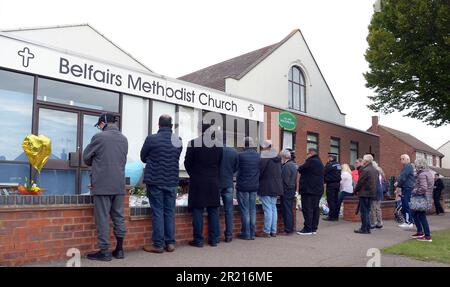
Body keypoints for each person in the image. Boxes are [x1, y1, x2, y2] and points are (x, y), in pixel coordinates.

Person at [83, 113, 128, 261]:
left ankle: (104, 252)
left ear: (103, 123)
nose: (99, 128)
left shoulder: (99, 137)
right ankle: (120, 250)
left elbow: (86, 158)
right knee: (119, 217)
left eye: (99, 125)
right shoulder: (124, 139)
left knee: (102, 218)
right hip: (119, 184)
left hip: (102, 184)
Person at [140, 115, 182, 253]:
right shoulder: (178, 140)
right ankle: (170, 243)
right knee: (170, 212)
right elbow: (176, 157)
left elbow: (143, 157)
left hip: (155, 180)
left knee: (158, 212)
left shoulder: (151, 139)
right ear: (171, 126)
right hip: (171, 181)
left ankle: (158, 245)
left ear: (159, 125)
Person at [184, 123, 223, 247]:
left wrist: (194, 174)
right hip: (213, 181)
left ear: (201, 130)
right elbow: (220, 164)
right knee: (213, 210)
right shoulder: (218, 145)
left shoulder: (193, 143)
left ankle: (198, 240)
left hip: (198, 181)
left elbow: (187, 163)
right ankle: (214, 239)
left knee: (198, 210)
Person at [236, 137, 260, 240]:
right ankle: (252, 233)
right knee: (252, 209)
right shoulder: (258, 156)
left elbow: (235, 169)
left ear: (244, 144)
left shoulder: (240, 155)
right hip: (254, 186)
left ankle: (246, 233)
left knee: (245, 210)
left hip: (243, 186)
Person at [257, 140, 283, 238]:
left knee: (268, 209)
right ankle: (273, 231)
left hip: (266, 186)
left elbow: (260, 171)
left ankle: (267, 231)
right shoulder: (277, 157)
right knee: (273, 208)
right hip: (276, 186)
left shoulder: (265, 157)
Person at [297, 148, 324, 235]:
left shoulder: (311, 161)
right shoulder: (320, 162)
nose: (306, 155)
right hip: (317, 189)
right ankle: (313, 228)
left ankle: (307, 229)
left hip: (309, 190)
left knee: (307, 209)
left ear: (311, 153)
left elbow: (300, 169)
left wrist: (306, 160)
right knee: (315, 209)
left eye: (307, 153)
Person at [410, 158, 434, 242]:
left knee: (421, 216)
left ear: (419, 165)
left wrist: (414, 191)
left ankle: (427, 236)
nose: (415, 165)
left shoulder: (422, 174)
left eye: (416, 164)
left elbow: (424, 188)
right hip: (426, 197)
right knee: (415, 214)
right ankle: (420, 232)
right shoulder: (428, 173)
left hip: (421, 198)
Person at [219, 143, 239, 242]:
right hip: (228, 182)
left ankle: (215, 235)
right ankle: (229, 235)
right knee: (229, 210)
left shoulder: (216, 150)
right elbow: (236, 167)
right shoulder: (233, 152)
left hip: (217, 183)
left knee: (215, 210)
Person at [354, 154, 377, 234]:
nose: (362, 161)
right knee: (367, 211)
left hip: (364, 193)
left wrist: (355, 191)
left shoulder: (365, 170)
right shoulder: (374, 169)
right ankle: (367, 228)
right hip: (371, 193)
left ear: (366, 161)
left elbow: (360, 182)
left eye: (363, 160)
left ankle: (364, 229)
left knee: (364, 212)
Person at [280, 149, 298, 235]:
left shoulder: (286, 166)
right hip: (292, 189)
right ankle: (290, 227)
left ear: (284, 157)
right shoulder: (293, 165)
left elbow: (285, 180)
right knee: (289, 209)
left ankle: (288, 229)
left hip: (286, 190)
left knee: (287, 210)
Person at [395, 154, 415, 229]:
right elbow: (402, 177)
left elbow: (403, 177)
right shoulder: (407, 167)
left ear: (408, 159)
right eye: (400, 159)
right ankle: (409, 221)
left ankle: (408, 222)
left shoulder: (408, 166)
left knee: (406, 205)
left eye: (403, 159)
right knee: (405, 205)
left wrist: (397, 184)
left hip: (407, 188)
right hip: (406, 188)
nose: (401, 160)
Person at [323, 153, 341, 221]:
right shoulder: (338, 164)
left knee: (331, 200)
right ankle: (336, 216)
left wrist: (327, 164)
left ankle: (331, 216)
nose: (328, 159)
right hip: (337, 184)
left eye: (329, 157)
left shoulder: (330, 165)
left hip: (331, 184)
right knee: (336, 200)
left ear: (331, 158)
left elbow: (324, 171)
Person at [370, 161, 386, 229]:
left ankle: (373, 223)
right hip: (380, 190)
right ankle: (380, 223)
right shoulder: (380, 171)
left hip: (375, 191)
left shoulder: (374, 172)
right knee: (378, 208)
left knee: (373, 208)